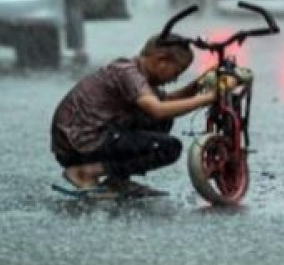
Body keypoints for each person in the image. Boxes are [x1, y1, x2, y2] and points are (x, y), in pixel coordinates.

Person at [51, 34, 229, 196]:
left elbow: (167, 101)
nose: (173, 79)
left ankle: (117, 181)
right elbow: (157, 109)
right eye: (175, 73)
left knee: (162, 121)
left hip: (84, 140)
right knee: (169, 148)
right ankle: (85, 172)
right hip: (80, 145)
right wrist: (208, 99)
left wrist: (198, 85)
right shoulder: (128, 73)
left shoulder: (136, 72)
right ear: (161, 60)